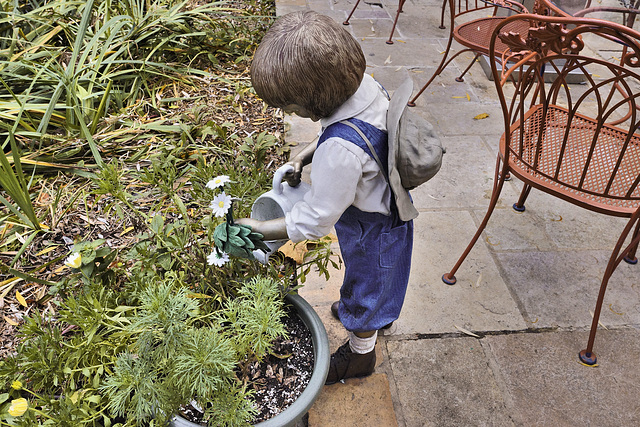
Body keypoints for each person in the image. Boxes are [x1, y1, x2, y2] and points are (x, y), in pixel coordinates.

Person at [237, 10, 413, 385]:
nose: (286, 112)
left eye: (288, 106)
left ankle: (360, 355)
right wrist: (305, 154)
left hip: (373, 229)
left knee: (366, 289)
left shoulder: (339, 152)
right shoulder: (367, 87)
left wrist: (259, 228)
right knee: (378, 280)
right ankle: (377, 311)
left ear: (315, 98)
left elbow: (315, 219)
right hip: (387, 209)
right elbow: (348, 128)